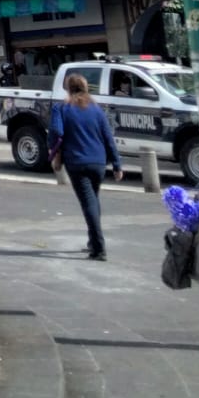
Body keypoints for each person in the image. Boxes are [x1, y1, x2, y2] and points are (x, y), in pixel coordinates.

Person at [48, 73, 123, 260]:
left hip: (76, 161)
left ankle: (99, 248)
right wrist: (116, 164)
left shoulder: (62, 108)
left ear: (67, 88)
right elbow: (108, 138)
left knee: (88, 202)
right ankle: (92, 241)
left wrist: (53, 150)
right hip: (98, 161)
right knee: (93, 199)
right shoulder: (96, 109)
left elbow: (56, 131)